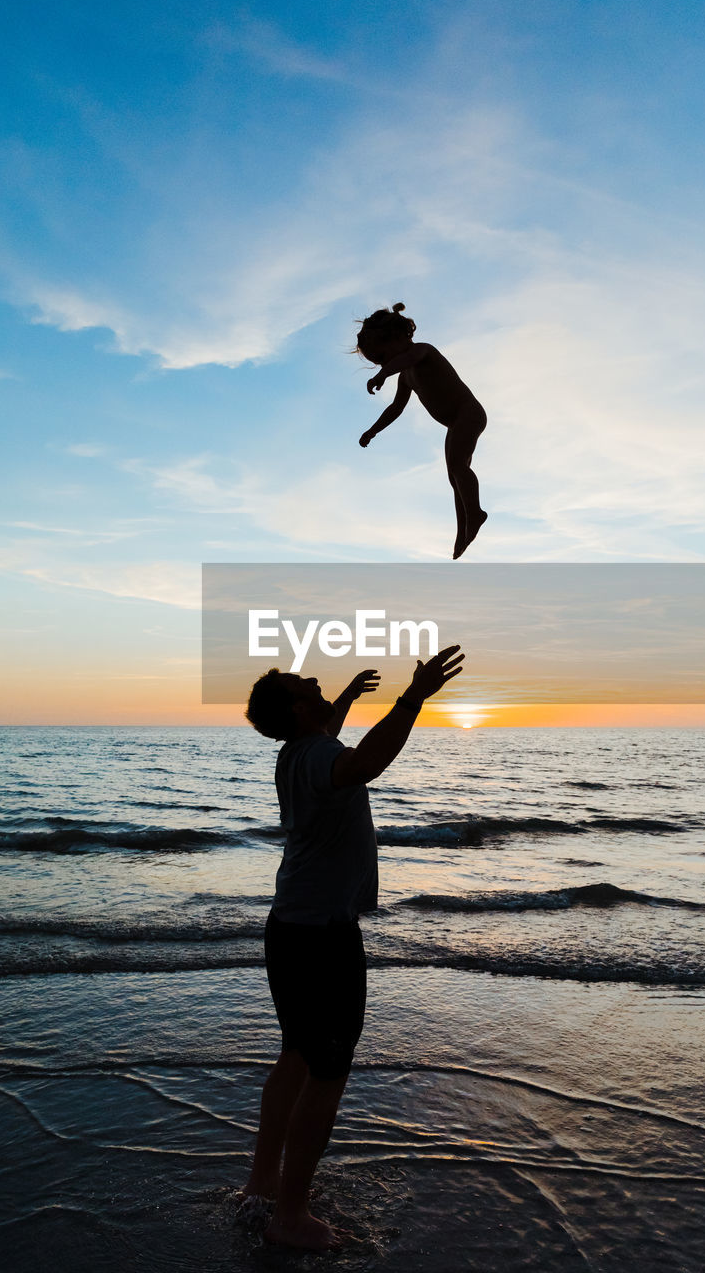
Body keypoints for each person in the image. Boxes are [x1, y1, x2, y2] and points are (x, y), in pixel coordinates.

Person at [242, 646, 464, 1250]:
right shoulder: (318, 754)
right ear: (294, 707)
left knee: (296, 1055)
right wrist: (413, 697)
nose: (313, 678)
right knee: (328, 1070)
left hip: (289, 926)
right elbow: (364, 761)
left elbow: (330, 738)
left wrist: (340, 700)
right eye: (303, 682)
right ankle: (290, 1218)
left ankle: (261, 1188)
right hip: (322, 937)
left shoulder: (295, 753)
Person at [357, 303, 488, 559]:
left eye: (383, 356)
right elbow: (396, 408)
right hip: (454, 423)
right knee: (453, 476)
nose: (386, 363)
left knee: (459, 468)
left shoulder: (423, 351)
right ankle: (463, 532)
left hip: (468, 414)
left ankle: (476, 513)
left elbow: (408, 358)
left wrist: (384, 373)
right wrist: (372, 431)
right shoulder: (405, 376)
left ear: (397, 338)